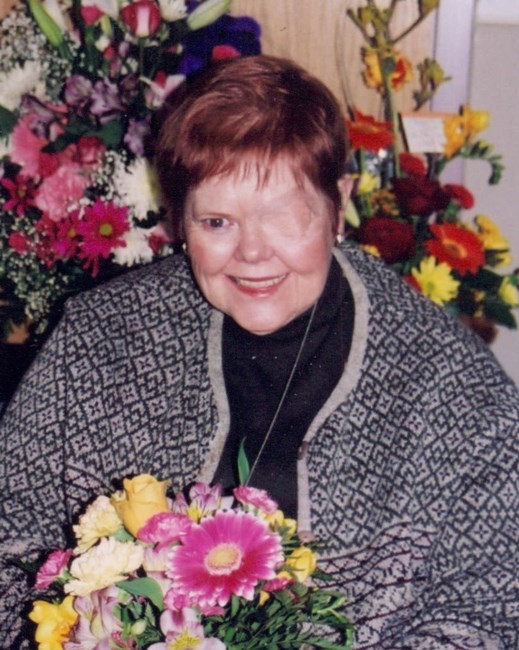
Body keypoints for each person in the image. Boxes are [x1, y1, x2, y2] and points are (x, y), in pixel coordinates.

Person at [1, 55, 518, 649]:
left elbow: (491, 607)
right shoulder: (100, 339)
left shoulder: (449, 383)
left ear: (338, 203)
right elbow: (10, 542)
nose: (251, 253)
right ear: (180, 221)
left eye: (283, 217)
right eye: (217, 222)